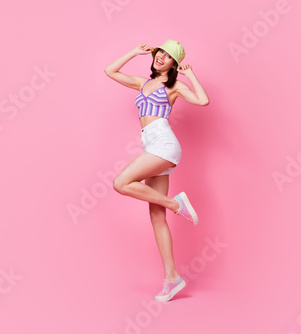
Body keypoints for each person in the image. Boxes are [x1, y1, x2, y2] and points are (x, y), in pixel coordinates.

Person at [104, 39, 209, 302]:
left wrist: (191, 74)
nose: (161, 56)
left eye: (168, 55)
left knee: (121, 183)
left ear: (174, 64)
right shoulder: (143, 82)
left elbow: (203, 100)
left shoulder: (174, 86)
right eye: (160, 51)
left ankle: (176, 204)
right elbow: (110, 71)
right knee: (156, 216)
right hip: (151, 144)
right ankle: (172, 278)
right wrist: (134, 52)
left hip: (164, 143)